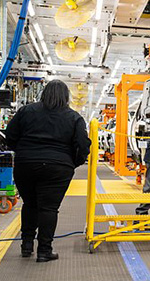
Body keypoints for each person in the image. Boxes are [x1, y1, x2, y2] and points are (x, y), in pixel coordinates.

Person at [6, 80, 90, 262]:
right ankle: (44, 250)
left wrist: (22, 152)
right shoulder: (74, 117)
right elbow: (83, 146)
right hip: (58, 168)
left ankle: (26, 245)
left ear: (44, 93)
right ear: (66, 97)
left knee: (29, 204)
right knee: (49, 208)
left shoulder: (26, 111)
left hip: (25, 164)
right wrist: (72, 163)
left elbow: (9, 136)